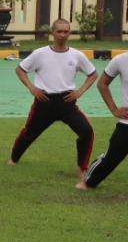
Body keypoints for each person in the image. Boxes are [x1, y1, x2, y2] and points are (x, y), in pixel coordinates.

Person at [10, 19, 98, 178]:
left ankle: (81, 168)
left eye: (66, 32)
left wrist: (80, 91)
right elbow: (20, 70)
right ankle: (14, 159)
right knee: (29, 133)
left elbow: (93, 74)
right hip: (44, 101)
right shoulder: (40, 53)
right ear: (52, 33)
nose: (62, 35)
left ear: (70, 33)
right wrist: (32, 88)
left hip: (67, 102)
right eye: (59, 31)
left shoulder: (77, 55)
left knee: (87, 131)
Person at [79, 51, 128, 190]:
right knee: (112, 156)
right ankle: (87, 182)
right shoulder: (121, 60)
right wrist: (114, 109)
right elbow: (102, 84)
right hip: (126, 124)